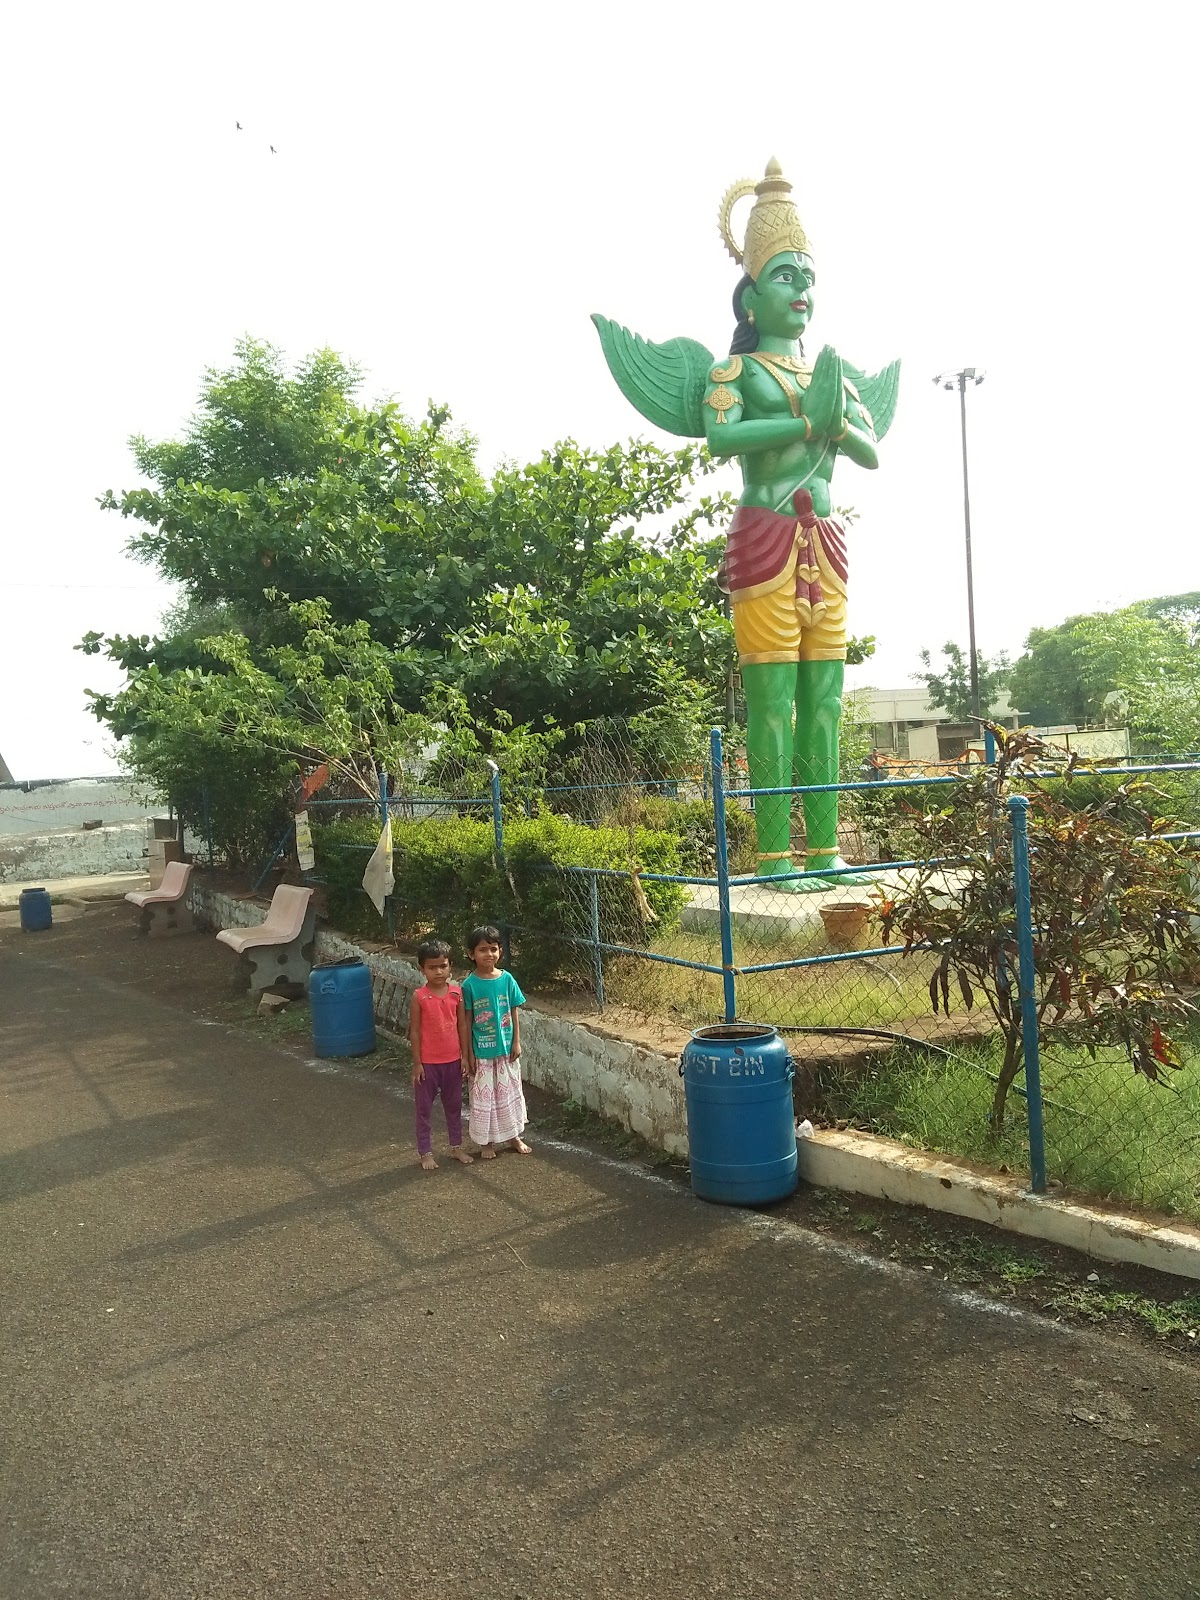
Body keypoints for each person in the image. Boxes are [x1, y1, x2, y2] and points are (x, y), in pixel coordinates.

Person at [461, 925, 531, 1160]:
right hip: (481, 1053)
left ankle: (514, 1136)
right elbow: (467, 1021)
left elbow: (514, 1011)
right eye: (482, 950)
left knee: (509, 1094)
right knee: (484, 1098)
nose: (488, 954)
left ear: (500, 951)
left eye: (493, 949)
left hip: (505, 1051)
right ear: (471, 954)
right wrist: (468, 1054)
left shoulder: (507, 979)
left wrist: (516, 1042)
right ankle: (486, 1142)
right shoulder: (468, 986)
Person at [408, 937, 473, 1172]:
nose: (438, 971)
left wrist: (464, 1057)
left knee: (454, 1106)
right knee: (424, 1109)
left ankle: (456, 1146)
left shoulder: (456, 993)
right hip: (428, 1064)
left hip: (453, 1062)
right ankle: (425, 1152)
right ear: (422, 969)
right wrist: (417, 1063)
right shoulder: (419, 997)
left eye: (443, 966)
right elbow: (414, 1031)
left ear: (450, 966)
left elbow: (462, 1027)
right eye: (432, 967)